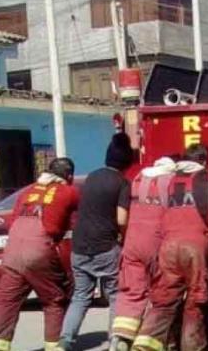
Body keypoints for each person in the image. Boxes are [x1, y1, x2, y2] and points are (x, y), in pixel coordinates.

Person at [0, 158, 79, 351]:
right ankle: (55, 346)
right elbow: (74, 224)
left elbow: (13, 220)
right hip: (39, 250)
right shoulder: (69, 192)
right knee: (54, 299)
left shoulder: (28, 191)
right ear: (70, 176)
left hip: (12, 251)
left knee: (4, 300)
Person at [132, 144, 208, 351]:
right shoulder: (204, 179)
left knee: (164, 300)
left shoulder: (169, 181)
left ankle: (145, 342)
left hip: (168, 246)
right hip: (194, 245)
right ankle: (192, 346)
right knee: (195, 302)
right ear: (203, 161)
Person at [59, 133, 134, 350]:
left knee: (81, 296)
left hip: (80, 247)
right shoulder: (122, 182)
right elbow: (121, 219)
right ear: (127, 162)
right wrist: (125, 238)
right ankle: (115, 342)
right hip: (105, 248)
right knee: (115, 295)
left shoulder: (92, 176)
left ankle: (65, 341)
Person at [108, 157, 177, 350]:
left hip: (132, 242)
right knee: (161, 294)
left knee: (131, 291)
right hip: (156, 242)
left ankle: (120, 339)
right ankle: (150, 341)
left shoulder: (138, 179)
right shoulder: (170, 181)